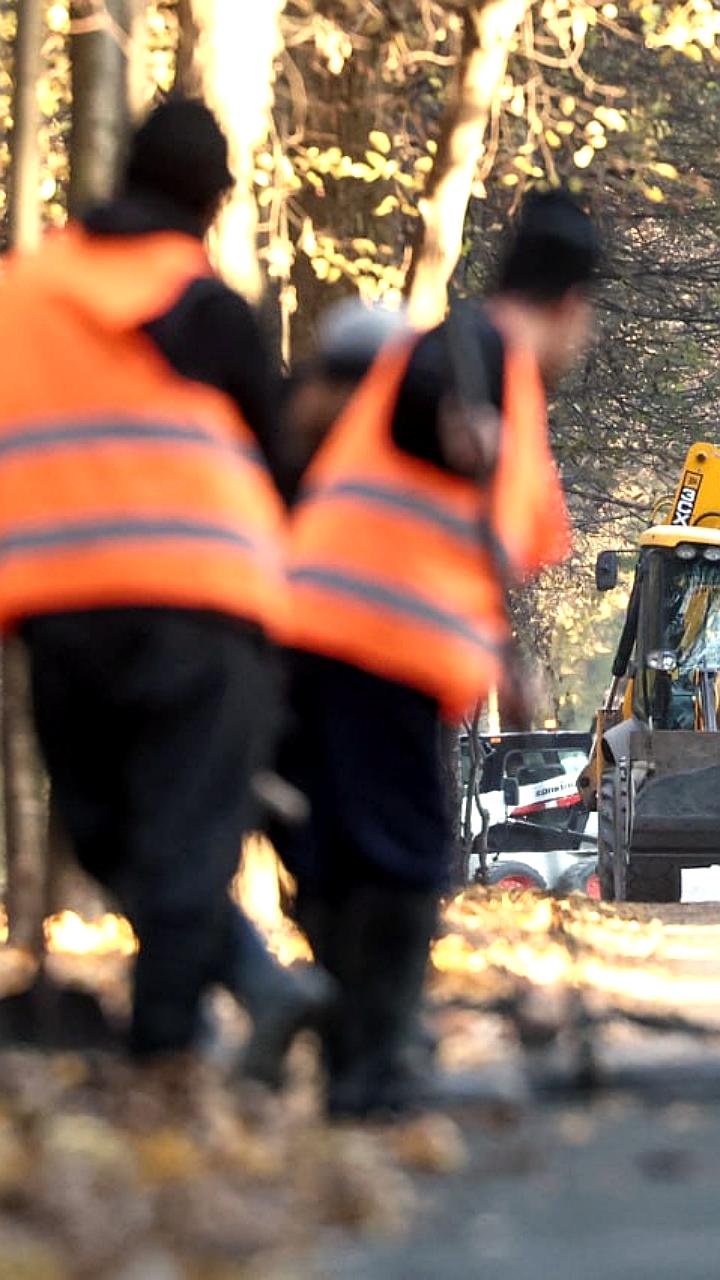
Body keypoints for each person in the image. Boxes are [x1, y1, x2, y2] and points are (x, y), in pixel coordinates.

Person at [0, 97, 329, 1073]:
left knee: (117, 835)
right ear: (215, 202)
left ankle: (213, 1015)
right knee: (179, 837)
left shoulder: (21, 291)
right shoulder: (211, 311)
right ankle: (171, 1066)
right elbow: (276, 466)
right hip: (203, 611)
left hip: (59, 613)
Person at [277, 191, 600, 1117]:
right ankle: (374, 1064)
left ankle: (360, 1051)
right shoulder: (475, 350)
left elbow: (475, 540)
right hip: (367, 646)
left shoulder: (490, 366)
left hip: (349, 642)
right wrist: (458, 426)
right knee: (401, 854)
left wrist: (504, 661)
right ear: (571, 307)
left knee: (357, 851)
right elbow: (426, 395)